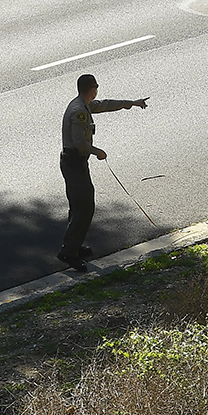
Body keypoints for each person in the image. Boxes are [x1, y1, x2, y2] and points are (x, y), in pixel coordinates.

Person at [58, 73, 149, 271]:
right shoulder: (78, 111)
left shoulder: (83, 105)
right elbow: (80, 143)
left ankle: (74, 244)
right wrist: (97, 151)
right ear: (92, 88)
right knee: (85, 207)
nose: (97, 91)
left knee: (78, 205)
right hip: (74, 162)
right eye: (96, 87)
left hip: (76, 162)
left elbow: (105, 104)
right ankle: (69, 253)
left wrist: (132, 103)